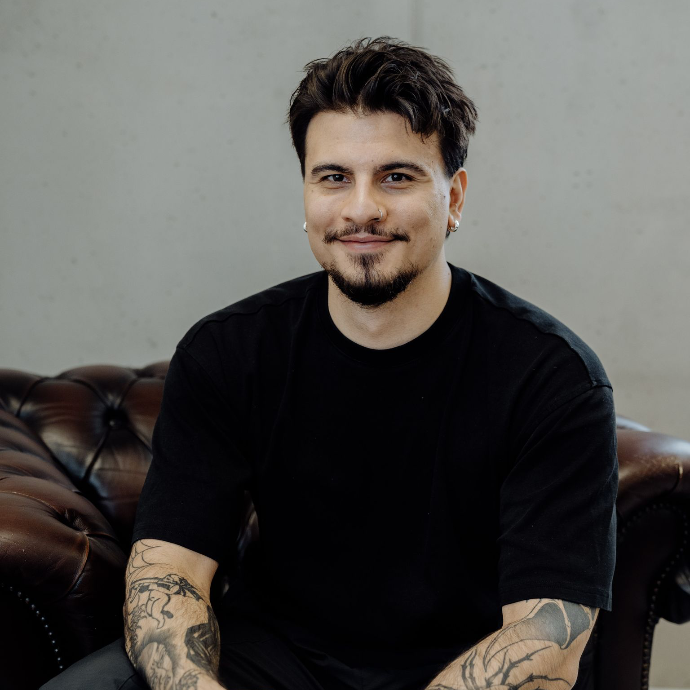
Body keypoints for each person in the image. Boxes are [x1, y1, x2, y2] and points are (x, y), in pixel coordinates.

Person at [42, 37, 617, 690]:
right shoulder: (227, 352)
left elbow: (547, 640)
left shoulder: (552, 377)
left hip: (459, 670)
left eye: (396, 177)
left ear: (454, 197)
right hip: (271, 660)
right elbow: (167, 574)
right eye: (334, 177)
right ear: (307, 193)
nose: (361, 208)